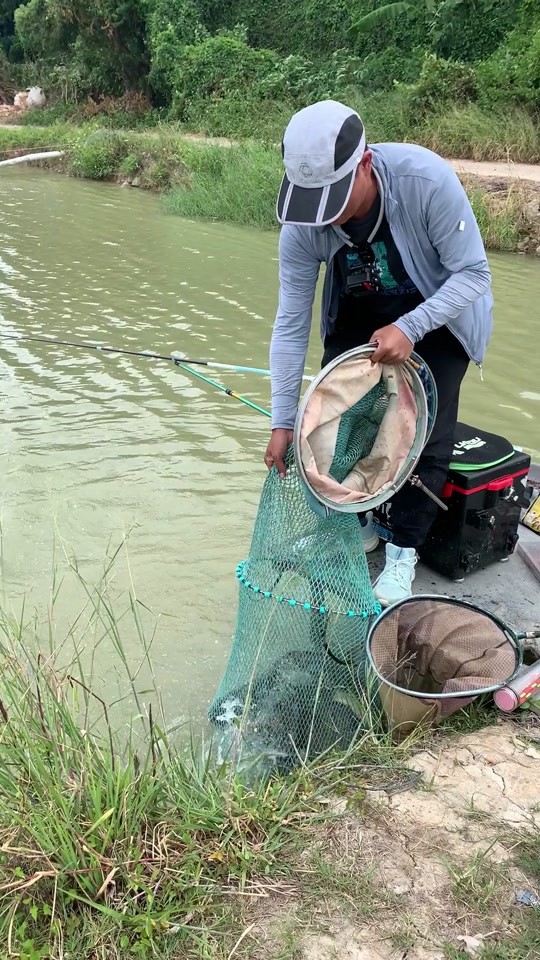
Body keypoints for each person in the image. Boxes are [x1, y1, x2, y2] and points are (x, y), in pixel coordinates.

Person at [264, 99, 493, 606]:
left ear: (364, 164)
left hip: (438, 311)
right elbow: (291, 323)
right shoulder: (304, 227)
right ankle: (359, 521)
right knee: (340, 412)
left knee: (420, 425)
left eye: (333, 200)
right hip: (362, 307)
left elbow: (474, 274)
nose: (323, 217)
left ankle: (403, 551)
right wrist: (283, 420)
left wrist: (411, 327)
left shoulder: (425, 182)